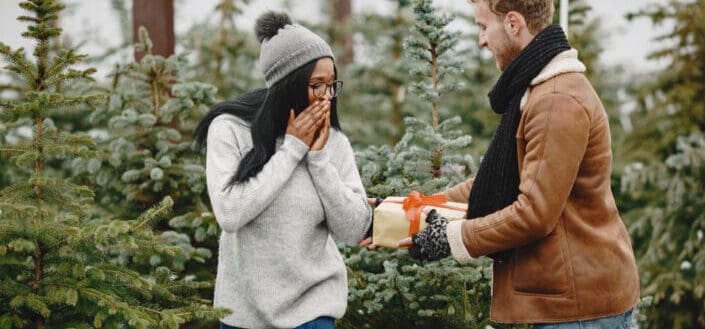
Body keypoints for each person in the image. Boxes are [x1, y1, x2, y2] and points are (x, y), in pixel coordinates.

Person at [396, 0, 640, 327]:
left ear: (513, 23)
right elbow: (495, 184)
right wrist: (424, 207)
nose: (481, 40)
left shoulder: (556, 101)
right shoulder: (535, 91)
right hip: (567, 304)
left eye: (484, 27)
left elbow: (534, 214)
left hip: (579, 311)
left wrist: (453, 237)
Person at [194, 12, 372, 329]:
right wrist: (292, 150)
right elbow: (230, 213)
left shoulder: (335, 143)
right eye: (317, 85)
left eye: (333, 84)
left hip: (313, 312)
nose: (328, 96)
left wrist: (318, 160)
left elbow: (356, 229)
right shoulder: (230, 130)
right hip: (242, 316)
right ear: (287, 85)